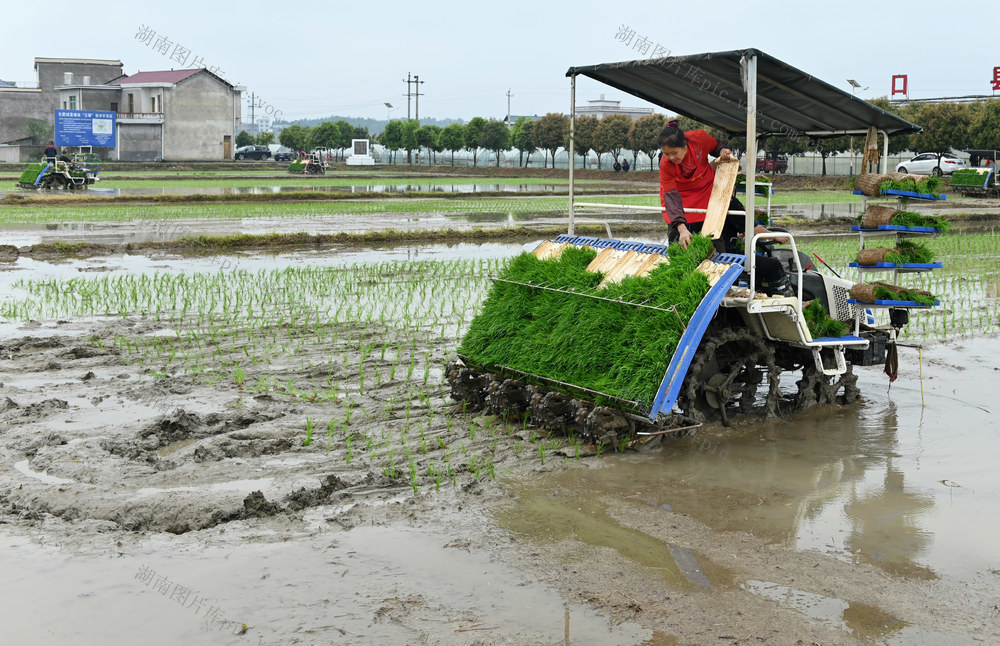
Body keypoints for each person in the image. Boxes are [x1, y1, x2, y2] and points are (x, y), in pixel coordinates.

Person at [658, 120, 790, 294]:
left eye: (674, 153)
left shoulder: (698, 139)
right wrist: (682, 229)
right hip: (683, 205)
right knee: (681, 254)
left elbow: (716, 146)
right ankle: (684, 292)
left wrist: (723, 151)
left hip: (707, 194)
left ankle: (717, 293)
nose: (671, 158)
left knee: (714, 255)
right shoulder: (666, 165)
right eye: (666, 154)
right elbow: (671, 198)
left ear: (684, 145)